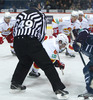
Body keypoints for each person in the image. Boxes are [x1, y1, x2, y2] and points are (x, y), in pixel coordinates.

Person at [10, 0, 69, 99]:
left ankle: (15, 83)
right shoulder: (40, 15)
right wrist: (37, 46)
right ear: (38, 5)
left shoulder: (21, 14)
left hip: (17, 42)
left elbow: (15, 29)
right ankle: (58, 88)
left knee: (24, 62)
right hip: (31, 40)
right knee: (47, 65)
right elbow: (41, 33)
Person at [72, 28, 93, 98]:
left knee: (87, 70)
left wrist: (78, 40)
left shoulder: (83, 36)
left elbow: (85, 31)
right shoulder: (81, 46)